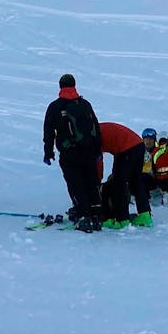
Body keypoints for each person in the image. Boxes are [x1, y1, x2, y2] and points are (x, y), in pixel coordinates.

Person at [44, 73, 103, 231]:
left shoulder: (55, 107)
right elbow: (96, 129)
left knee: (76, 183)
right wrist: (97, 150)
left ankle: (83, 216)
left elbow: (49, 132)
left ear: (60, 86)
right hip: (89, 152)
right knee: (91, 182)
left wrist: (48, 152)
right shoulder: (85, 104)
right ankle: (96, 215)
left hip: (69, 153)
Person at [99, 122, 153, 228]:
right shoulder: (96, 128)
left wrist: (97, 180)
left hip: (126, 149)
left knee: (118, 184)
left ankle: (122, 220)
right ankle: (145, 215)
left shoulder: (92, 136)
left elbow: (98, 161)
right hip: (138, 145)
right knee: (135, 181)